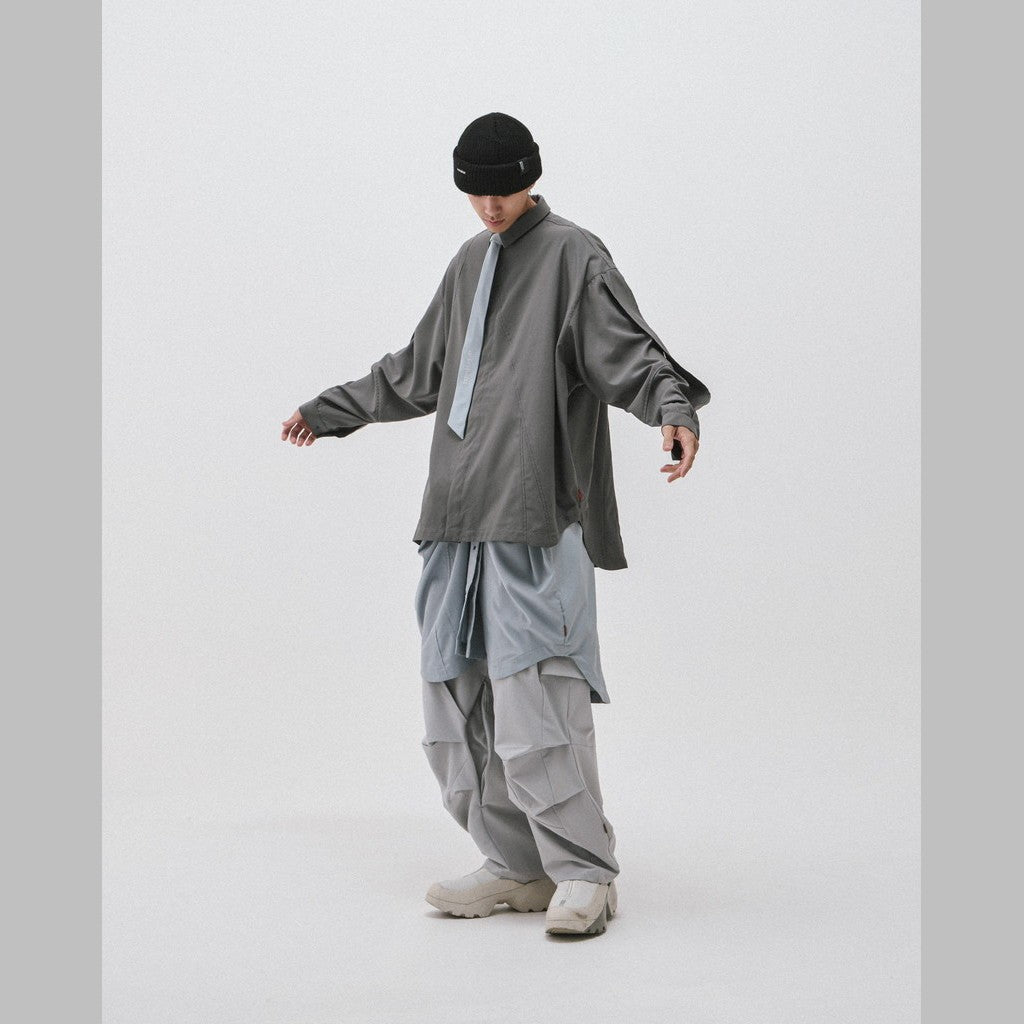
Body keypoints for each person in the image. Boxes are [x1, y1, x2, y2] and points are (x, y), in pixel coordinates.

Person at [281, 112, 711, 938]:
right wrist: (330, 410)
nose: (490, 207)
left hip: (534, 519)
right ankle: (517, 865)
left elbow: (628, 351)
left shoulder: (574, 256)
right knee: (456, 707)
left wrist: (672, 407)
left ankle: (583, 871)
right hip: (455, 518)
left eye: (503, 191)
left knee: (538, 701)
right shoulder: (469, 262)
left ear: (531, 176)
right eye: (475, 194)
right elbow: (418, 371)